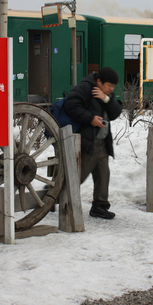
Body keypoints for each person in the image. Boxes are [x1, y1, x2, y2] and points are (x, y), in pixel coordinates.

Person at [63, 67, 123, 219]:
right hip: (87, 141)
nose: (111, 89)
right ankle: (53, 196)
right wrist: (90, 119)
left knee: (103, 174)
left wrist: (106, 99)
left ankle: (100, 206)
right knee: (79, 175)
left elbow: (115, 113)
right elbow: (71, 105)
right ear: (99, 81)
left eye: (113, 86)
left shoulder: (105, 94)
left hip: (102, 141)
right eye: (108, 85)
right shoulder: (84, 88)